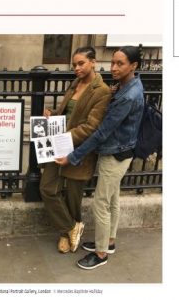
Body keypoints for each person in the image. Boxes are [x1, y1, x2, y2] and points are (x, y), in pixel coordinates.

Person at [56, 46, 144, 270]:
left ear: (133, 66)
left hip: (115, 154)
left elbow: (102, 132)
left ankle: (101, 253)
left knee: (101, 204)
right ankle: (110, 242)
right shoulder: (127, 86)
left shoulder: (128, 95)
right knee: (113, 200)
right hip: (120, 150)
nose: (113, 67)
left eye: (120, 64)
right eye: (113, 62)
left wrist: (73, 156)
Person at [40, 47, 111, 254]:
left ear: (93, 62)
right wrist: (52, 114)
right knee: (47, 188)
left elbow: (91, 127)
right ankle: (70, 227)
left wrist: (64, 138)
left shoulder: (102, 91)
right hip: (59, 144)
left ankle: (65, 235)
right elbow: (68, 113)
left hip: (80, 151)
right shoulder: (75, 84)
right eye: (74, 65)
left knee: (72, 196)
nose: (77, 68)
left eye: (81, 63)